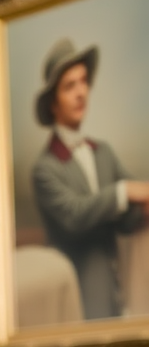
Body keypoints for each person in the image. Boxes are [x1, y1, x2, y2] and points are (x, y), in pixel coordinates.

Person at [31, 38, 149, 320]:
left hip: (119, 295)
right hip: (77, 303)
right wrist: (124, 191)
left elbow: (128, 217)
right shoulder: (45, 169)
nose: (81, 92)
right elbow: (76, 215)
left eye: (83, 82)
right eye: (69, 86)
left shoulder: (103, 153)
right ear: (52, 105)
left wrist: (141, 208)